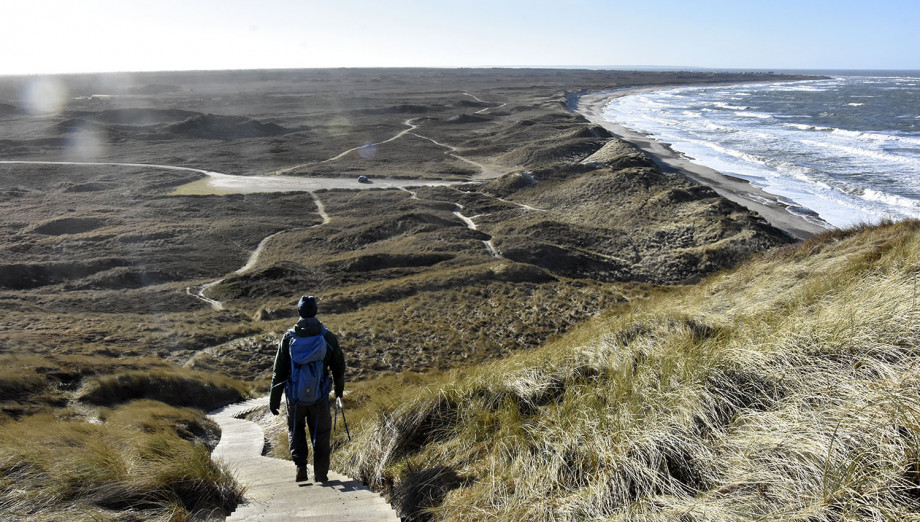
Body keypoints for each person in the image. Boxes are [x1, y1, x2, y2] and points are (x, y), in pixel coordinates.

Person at [269, 295, 345, 483]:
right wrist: (339, 391)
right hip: (319, 396)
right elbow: (339, 366)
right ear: (315, 310)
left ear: (299, 312)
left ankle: (301, 467)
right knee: (321, 433)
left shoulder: (288, 338)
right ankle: (321, 474)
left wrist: (274, 399)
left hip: (295, 397)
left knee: (296, 430)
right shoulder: (326, 337)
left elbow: (278, 371)